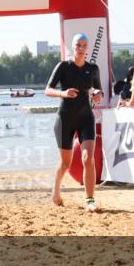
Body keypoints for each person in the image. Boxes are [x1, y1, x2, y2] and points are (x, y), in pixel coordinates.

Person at [46, 32, 103, 212]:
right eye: (77, 45)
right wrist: (63, 93)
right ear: (73, 47)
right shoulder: (63, 66)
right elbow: (47, 90)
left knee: (88, 159)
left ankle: (90, 200)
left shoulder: (93, 68)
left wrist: (97, 94)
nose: (80, 48)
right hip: (65, 118)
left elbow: (98, 91)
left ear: (87, 48)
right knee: (66, 163)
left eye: (83, 45)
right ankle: (56, 190)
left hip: (86, 117)